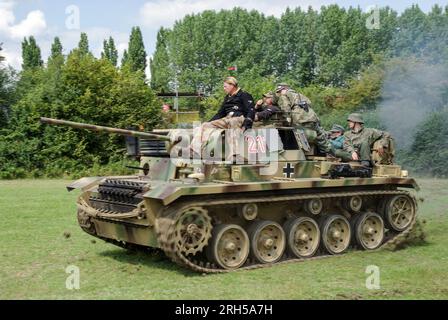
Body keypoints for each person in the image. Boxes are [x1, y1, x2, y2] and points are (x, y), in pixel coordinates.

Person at [191, 77, 255, 161]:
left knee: (232, 122)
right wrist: (210, 122)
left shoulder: (244, 95)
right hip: (227, 118)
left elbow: (251, 110)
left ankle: (234, 154)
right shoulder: (227, 98)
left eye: (225, 86)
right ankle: (195, 150)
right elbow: (220, 113)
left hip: (239, 118)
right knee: (205, 125)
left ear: (232, 85)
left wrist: (248, 123)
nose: (224, 88)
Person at [274, 83, 334, 155]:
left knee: (291, 133)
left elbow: (286, 108)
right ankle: (331, 152)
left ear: (284, 89)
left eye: (279, 91)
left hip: (299, 118)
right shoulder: (300, 95)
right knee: (321, 138)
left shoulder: (284, 95)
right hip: (312, 118)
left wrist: (287, 120)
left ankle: (294, 153)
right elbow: (309, 106)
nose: (279, 94)